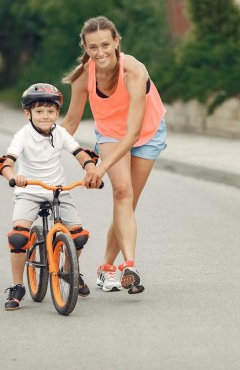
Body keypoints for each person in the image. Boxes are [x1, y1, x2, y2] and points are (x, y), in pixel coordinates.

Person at [61, 16, 168, 294]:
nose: (100, 52)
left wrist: (99, 167)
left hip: (146, 132)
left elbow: (133, 133)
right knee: (122, 193)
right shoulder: (84, 74)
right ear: (85, 47)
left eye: (106, 45)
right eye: (93, 47)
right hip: (110, 133)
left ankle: (107, 266)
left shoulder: (133, 70)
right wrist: (39, 146)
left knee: (128, 204)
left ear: (117, 42)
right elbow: (71, 122)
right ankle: (129, 265)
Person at [0, 83, 99, 310]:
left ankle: (68, 270)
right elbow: (6, 161)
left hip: (58, 190)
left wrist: (91, 170)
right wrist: (14, 176)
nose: (45, 116)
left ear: (57, 113)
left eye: (51, 111)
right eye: (39, 111)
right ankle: (17, 286)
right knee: (18, 238)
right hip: (29, 191)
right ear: (28, 113)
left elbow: (80, 153)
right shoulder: (22, 135)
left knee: (79, 236)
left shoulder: (60, 133)